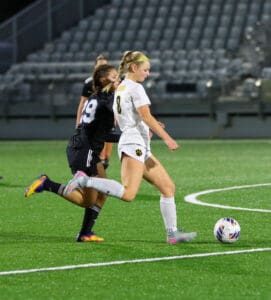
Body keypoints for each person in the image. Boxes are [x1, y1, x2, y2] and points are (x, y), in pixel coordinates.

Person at [64, 51, 197, 244]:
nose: (148, 73)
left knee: (168, 187)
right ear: (133, 68)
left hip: (138, 143)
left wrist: (147, 126)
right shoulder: (135, 88)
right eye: (146, 69)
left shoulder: (122, 87)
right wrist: (167, 138)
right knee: (128, 194)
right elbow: (144, 115)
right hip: (134, 144)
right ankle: (84, 182)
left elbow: (122, 118)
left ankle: (172, 234)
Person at [25, 64, 120, 242]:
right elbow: (106, 134)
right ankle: (47, 184)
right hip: (85, 153)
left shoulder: (98, 97)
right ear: (102, 80)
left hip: (83, 148)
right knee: (87, 201)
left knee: (104, 192)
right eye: (115, 76)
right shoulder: (106, 103)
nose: (119, 78)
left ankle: (85, 233)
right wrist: (133, 137)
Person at [76, 54, 113, 169]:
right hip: (96, 122)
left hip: (108, 120)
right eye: (99, 66)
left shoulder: (113, 82)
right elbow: (82, 103)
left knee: (107, 156)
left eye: (104, 65)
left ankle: (95, 177)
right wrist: (78, 122)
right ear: (95, 68)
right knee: (99, 155)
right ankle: (94, 177)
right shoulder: (89, 83)